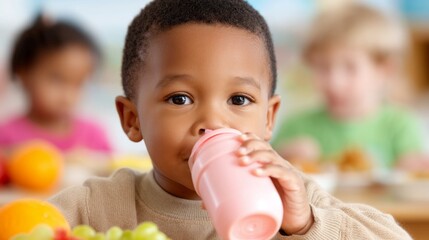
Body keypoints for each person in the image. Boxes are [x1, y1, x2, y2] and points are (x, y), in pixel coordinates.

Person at [49, 1, 411, 239]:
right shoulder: (98, 205)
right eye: (180, 98)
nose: (212, 122)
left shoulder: (292, 199)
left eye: (239, 99)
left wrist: (305, 224)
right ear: (133, 119)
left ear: (269, 118)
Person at [272, 3, 424, 171]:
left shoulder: (401, 127)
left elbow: (414, 177)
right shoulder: (296, 127)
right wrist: (283, 156)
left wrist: (414, 167)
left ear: (385, 70)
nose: (334, 82)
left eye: (350, 68)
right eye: (323, 67)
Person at [0, 15, 112, 154]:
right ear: (24, 73)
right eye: (57, 80)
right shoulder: (5, 137)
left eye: (79, 83)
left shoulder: (94, 136)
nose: (68, 95)